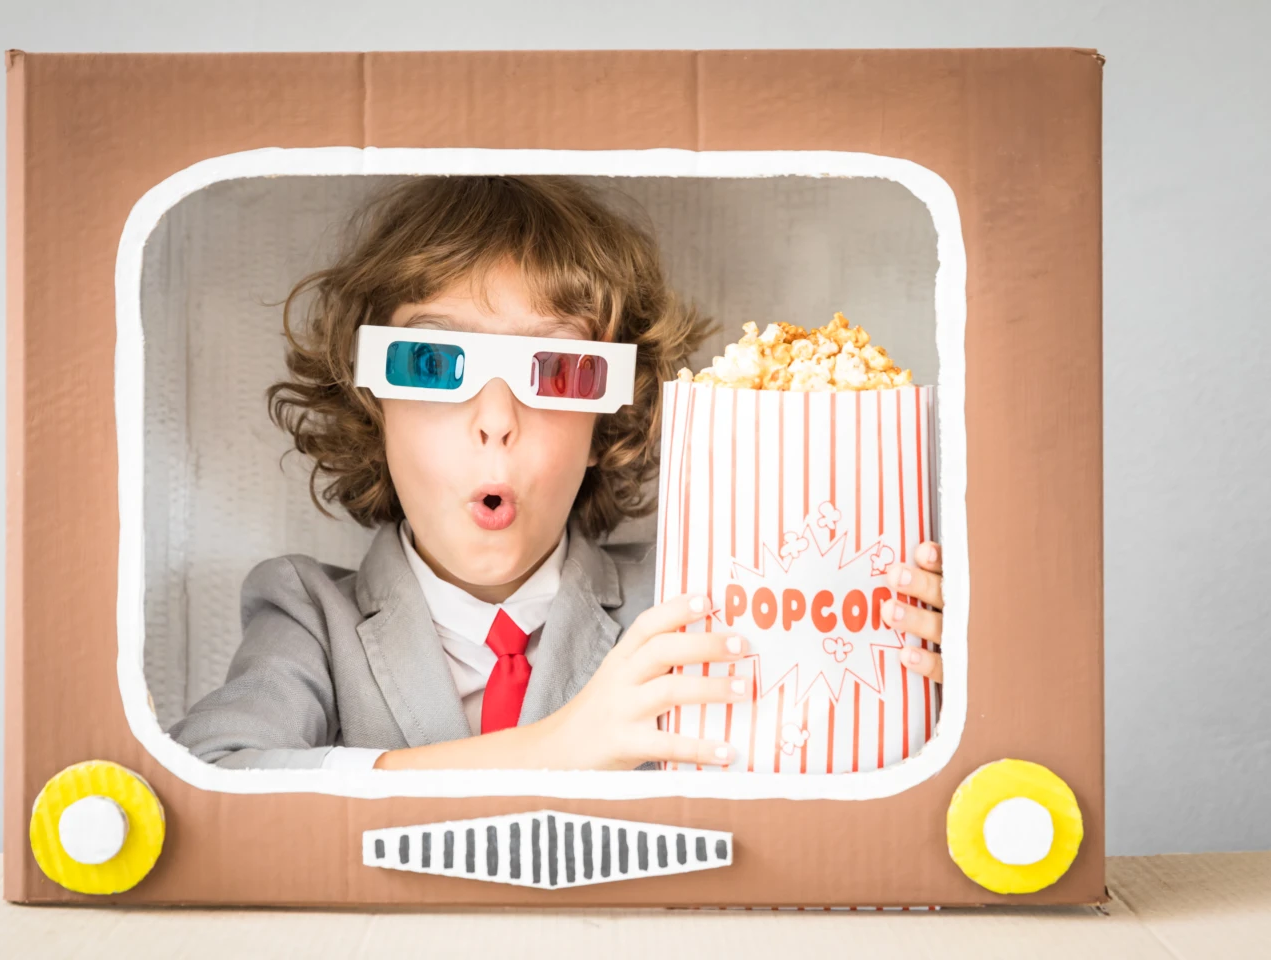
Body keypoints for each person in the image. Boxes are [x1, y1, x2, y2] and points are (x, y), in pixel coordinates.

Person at [170, 175, 945, 772]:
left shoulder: (695, 602)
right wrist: (550, 751)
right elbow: (206, 778)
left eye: (557, 370)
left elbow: (834, 762)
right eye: (434, 362)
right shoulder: (308, 615)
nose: (496, 418)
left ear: (610, 422)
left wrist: (944, 678)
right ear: (373, 403)